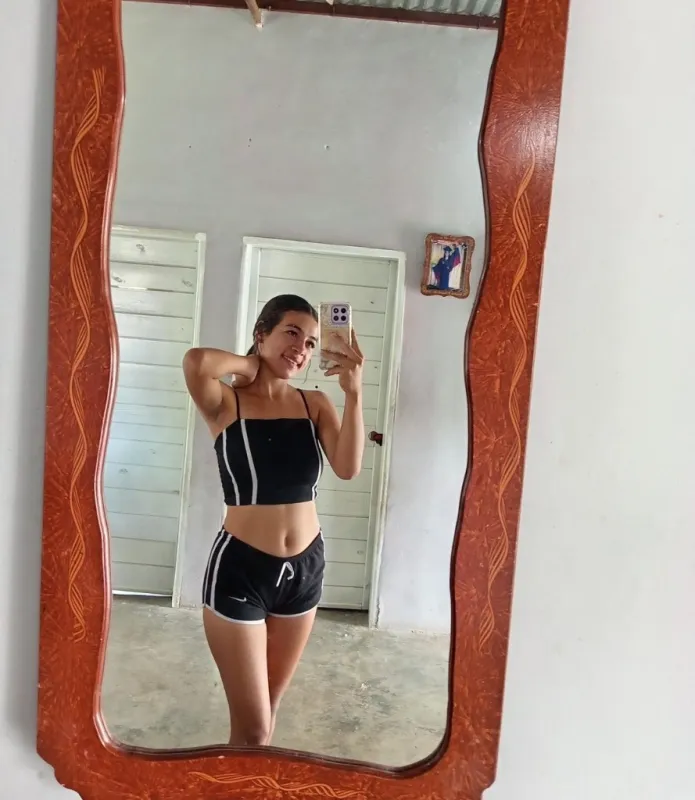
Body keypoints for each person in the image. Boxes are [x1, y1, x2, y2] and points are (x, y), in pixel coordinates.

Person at [182, 294, 365, 746]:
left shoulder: (314, 403)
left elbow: (347, 467)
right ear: (261, 333)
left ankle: (250, 780)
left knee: (267, 713)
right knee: (254, 728)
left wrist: (354, 393)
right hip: (241, 572)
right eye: (292, 334)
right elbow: (198, 361)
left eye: (311, 343)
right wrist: (255, 364)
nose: (301, 349)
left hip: (305, 570)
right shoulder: (226, 402)